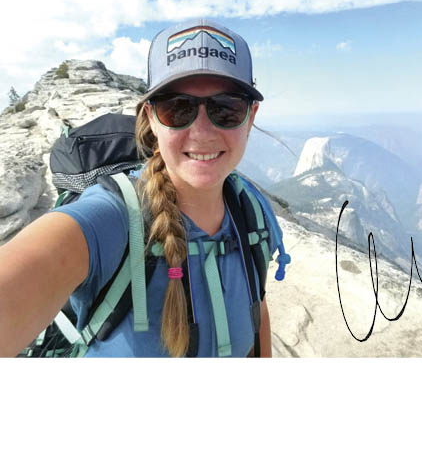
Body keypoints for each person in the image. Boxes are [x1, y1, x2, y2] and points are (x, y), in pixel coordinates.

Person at [0, 19, 273, 357]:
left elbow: (256, 309)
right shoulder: (112, 217)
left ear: (251, 116)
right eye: (178, 108)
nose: (202, 132)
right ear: (152, 117)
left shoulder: (252, 212)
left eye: (226, 108)